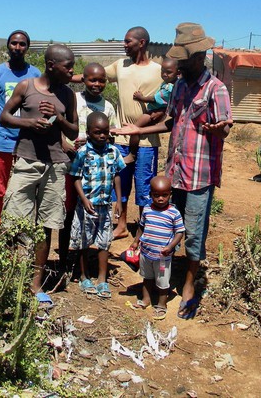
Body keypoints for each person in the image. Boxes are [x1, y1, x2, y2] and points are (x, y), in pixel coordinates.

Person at [114, 22, 231, 320]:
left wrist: (219, 130)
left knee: (192, 233)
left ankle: (190, 286)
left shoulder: (216, 89)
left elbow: (224, 129)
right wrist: (135, 129)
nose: (177, 64)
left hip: (198, 176)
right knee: (166, 225)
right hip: (175, 172)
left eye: (182, 59)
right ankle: (167, 277)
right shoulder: (179, 86)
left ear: (197, 57)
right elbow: (170, 122)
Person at [0, 44, 78, 307]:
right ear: (51, 65)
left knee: (47, 224)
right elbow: (4, 117)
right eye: (68, 67)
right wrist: (29, 123)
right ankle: (8, 279)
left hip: (55, 165)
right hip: (26, 161)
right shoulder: (26, 87)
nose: (71, 71)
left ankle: (35, 285)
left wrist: (58, 117)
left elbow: (75, 131)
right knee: (12, 221)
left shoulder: (68, 95)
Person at [102, 27, 163, 239]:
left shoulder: (159, 70)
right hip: (121, 138)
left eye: (128, 41)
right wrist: (65, 76)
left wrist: (154, 117)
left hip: (147, 140)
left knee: (145, 185)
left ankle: (142, 229)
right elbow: (96, 75)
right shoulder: (120, 65)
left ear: (142, 43)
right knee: (121, 183)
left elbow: (164, 103)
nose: (124, 45)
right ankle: (121, 225)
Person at [59, 63, 119, 279]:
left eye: (101, 80)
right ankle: (65, 259)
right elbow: (57, 124)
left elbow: (112, 135)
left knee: (91, 212)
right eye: (92, 80)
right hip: (70, 164)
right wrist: (66, 144)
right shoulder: (73, 98)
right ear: (82, 79)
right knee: (68, 212)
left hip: (95, 172)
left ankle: (87, 261)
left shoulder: (109, 107)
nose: (97, 84)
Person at [0, 30, 40, 228]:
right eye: (14, 43)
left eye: (22, 44)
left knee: (26, 187)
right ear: (8, 46)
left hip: (28, 141)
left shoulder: (35, 74)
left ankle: (19, 227)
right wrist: (0, 128)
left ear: (28, 47)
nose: (17, 47)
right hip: (3, 140)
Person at [69, 112, 125, 299]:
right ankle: (84, 276)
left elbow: (117, 174)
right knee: (84, 242)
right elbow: (75, 177)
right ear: (89, 132)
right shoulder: (83, 152)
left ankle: (102, 279)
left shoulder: (113, 151)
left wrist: (118, 200)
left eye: (105, 132)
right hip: (87, 206)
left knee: (104, 242)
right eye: (97, 132)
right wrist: (84, 200)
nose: (102, 136)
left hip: (105, 206)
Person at [128, 175, 185, 320]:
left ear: (170, 194)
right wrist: (136, 241)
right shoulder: (147, 209)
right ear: (151, 194)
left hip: (163, 256)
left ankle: (161, 304)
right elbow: (142, 227)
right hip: (146, 252)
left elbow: (180, 232)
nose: (160, 199)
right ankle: (146, 299)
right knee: (147, 278)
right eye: (156, 195)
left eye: (164, 195)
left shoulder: (173, 213)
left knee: (162, 282)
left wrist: (171, 246)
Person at [125, 57, 179, 164]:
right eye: (163, 71)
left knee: (135, 129)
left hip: (153, 112)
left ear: (178, 72)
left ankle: (132, 154)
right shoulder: (171, 83)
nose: (164, 74)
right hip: (156, 110)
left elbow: (155, 98)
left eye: (169, 72)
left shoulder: (170, 87)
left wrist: (141, 98)